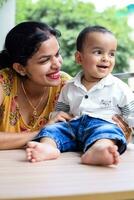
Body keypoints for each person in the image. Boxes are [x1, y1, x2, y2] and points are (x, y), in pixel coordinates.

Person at [0, 22, 131, 151]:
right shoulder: (3, 83)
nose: (57, 64)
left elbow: (84, 132)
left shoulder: (66, 84)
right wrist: (43, 132)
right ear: (20, 68)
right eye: (45, 60)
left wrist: (118, 133)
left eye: (57, 54)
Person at [26, 25, 134, 165]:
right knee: (51, 130)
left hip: (103, 125)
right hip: (73, 126)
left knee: (107, 133)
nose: (106, 58)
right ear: (79, 57)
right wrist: (56, 121)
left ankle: (98, 150)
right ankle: (48, 148)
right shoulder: (69, 86)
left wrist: (129, 129)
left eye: (111, 53)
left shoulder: (118, 87)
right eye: (98, 52)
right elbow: (60, 112)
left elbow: (131, 114)